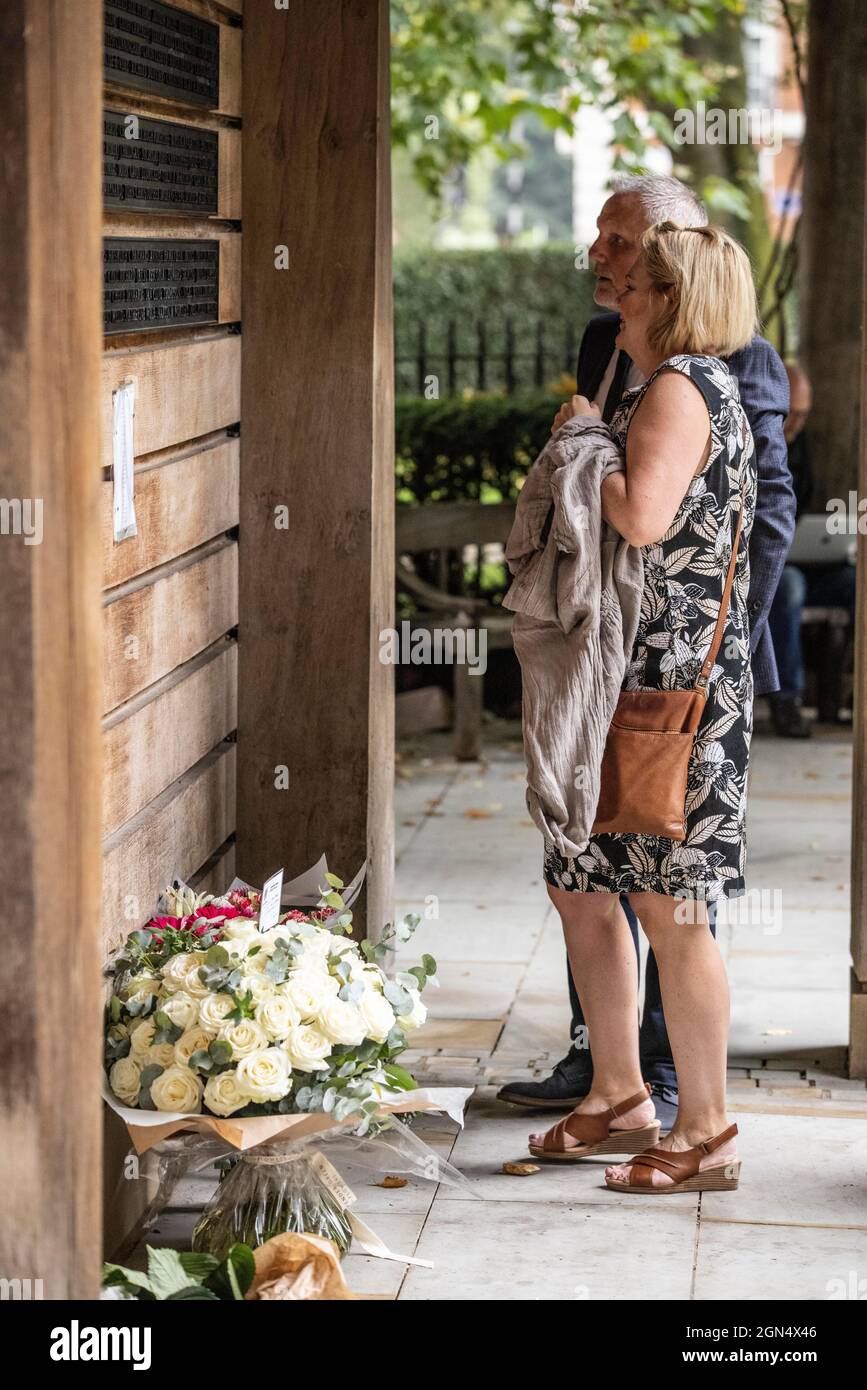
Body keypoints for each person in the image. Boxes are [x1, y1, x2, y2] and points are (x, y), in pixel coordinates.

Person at [497, 175, 795, 1130]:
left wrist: (585, 445)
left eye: (629, 273)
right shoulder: (635, 358)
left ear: (671, 288)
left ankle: (699, 1125)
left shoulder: (698, 379)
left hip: (672, 675)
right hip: (615, 667)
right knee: (580, 877)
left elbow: (642, 510)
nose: (608, 283)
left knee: (669, 902)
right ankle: (618, 1090)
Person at [768, 364, 856, 737]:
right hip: (771, 569)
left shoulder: (802, 447)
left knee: (855, 583)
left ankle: (849, 695)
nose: (796, 423)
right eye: (791, 414)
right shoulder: (757, 441)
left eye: (803, 415)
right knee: (789, 586)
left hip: (803, 563)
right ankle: (787, 700)